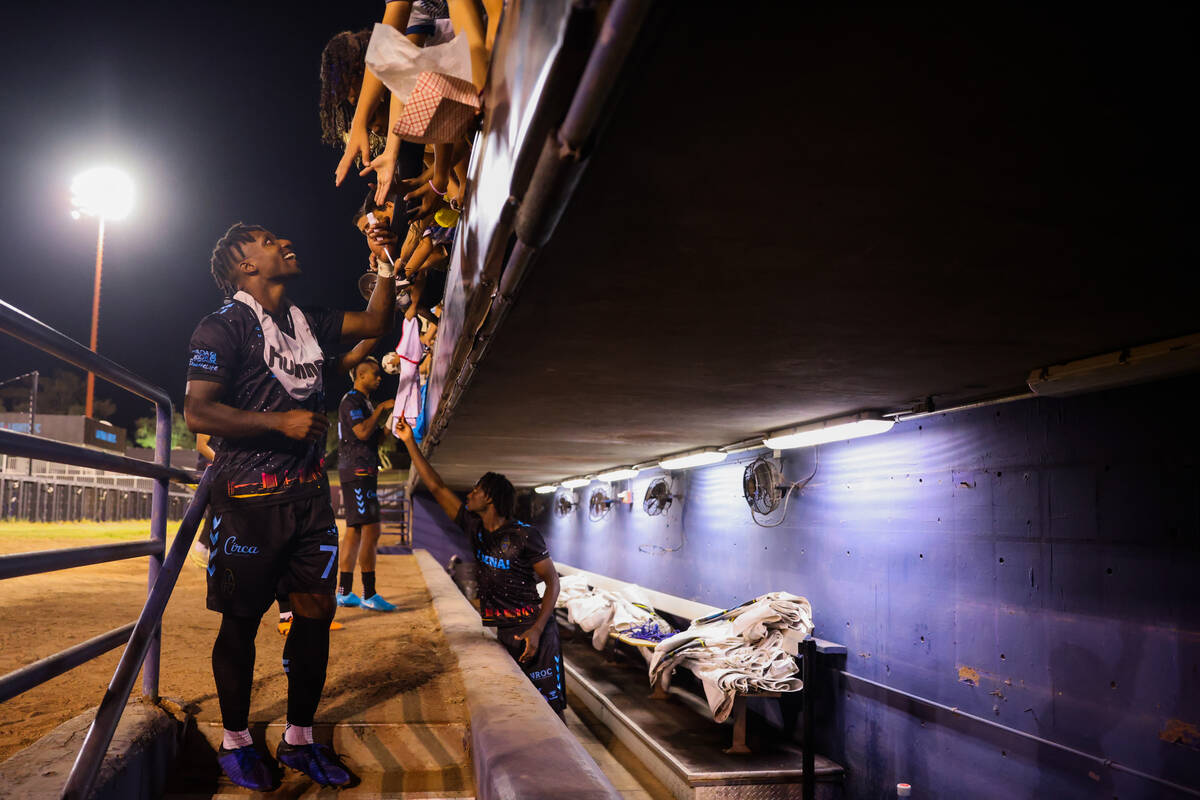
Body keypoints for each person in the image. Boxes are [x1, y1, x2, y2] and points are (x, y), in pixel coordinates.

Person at [184, 222, 395, 790]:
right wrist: (277, 421)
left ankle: (299, 740)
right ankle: (236, 742)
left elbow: (375, 322)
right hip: (249, 503)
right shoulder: (222, 326)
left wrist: (385, 266)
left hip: (308, 504)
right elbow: (198, 413)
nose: (282, 241)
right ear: (245, 264)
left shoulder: (309, 322)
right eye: (266, 239)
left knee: (314, 619)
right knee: (241, 624)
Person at [392, 414, 566, 716]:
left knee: (549, 711)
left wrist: (537, 630)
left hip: (534, 630)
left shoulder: (525, 535)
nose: (469, 494)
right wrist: (410, 442)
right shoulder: (475, 528)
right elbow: (435, 486)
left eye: (477, 490)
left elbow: (553, 582)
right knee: (521, 708)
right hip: (505, 631)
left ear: (491, 497)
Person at [335, 357, 397, 610]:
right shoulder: (352, 400)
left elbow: (373, 439)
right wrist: (382, 408)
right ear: (360, 376)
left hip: (361, 471)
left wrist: (392, 421)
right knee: (371, 530)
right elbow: (361, 432)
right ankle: (369, 594)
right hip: (357, 472)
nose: (379, 377)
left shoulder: (363, 402)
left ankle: (344, 592)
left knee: (355, 530)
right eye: (375, 374)